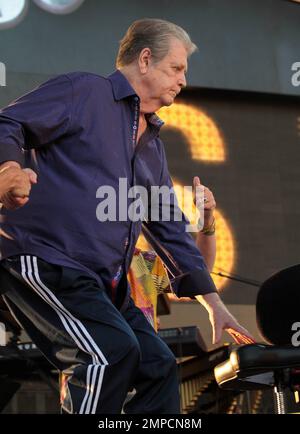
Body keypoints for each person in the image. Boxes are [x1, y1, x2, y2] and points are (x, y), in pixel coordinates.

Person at [0, 18, 254, 414]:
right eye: (177, 68)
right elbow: (9, 121)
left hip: (105, 283)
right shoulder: (84, 91)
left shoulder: (152, 148)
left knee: (158, 367)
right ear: (146, 59)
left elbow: (169, 230)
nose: (183, 80)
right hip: (45, 258)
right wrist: (7, 170)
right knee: (109, 353)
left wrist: (213, 304)